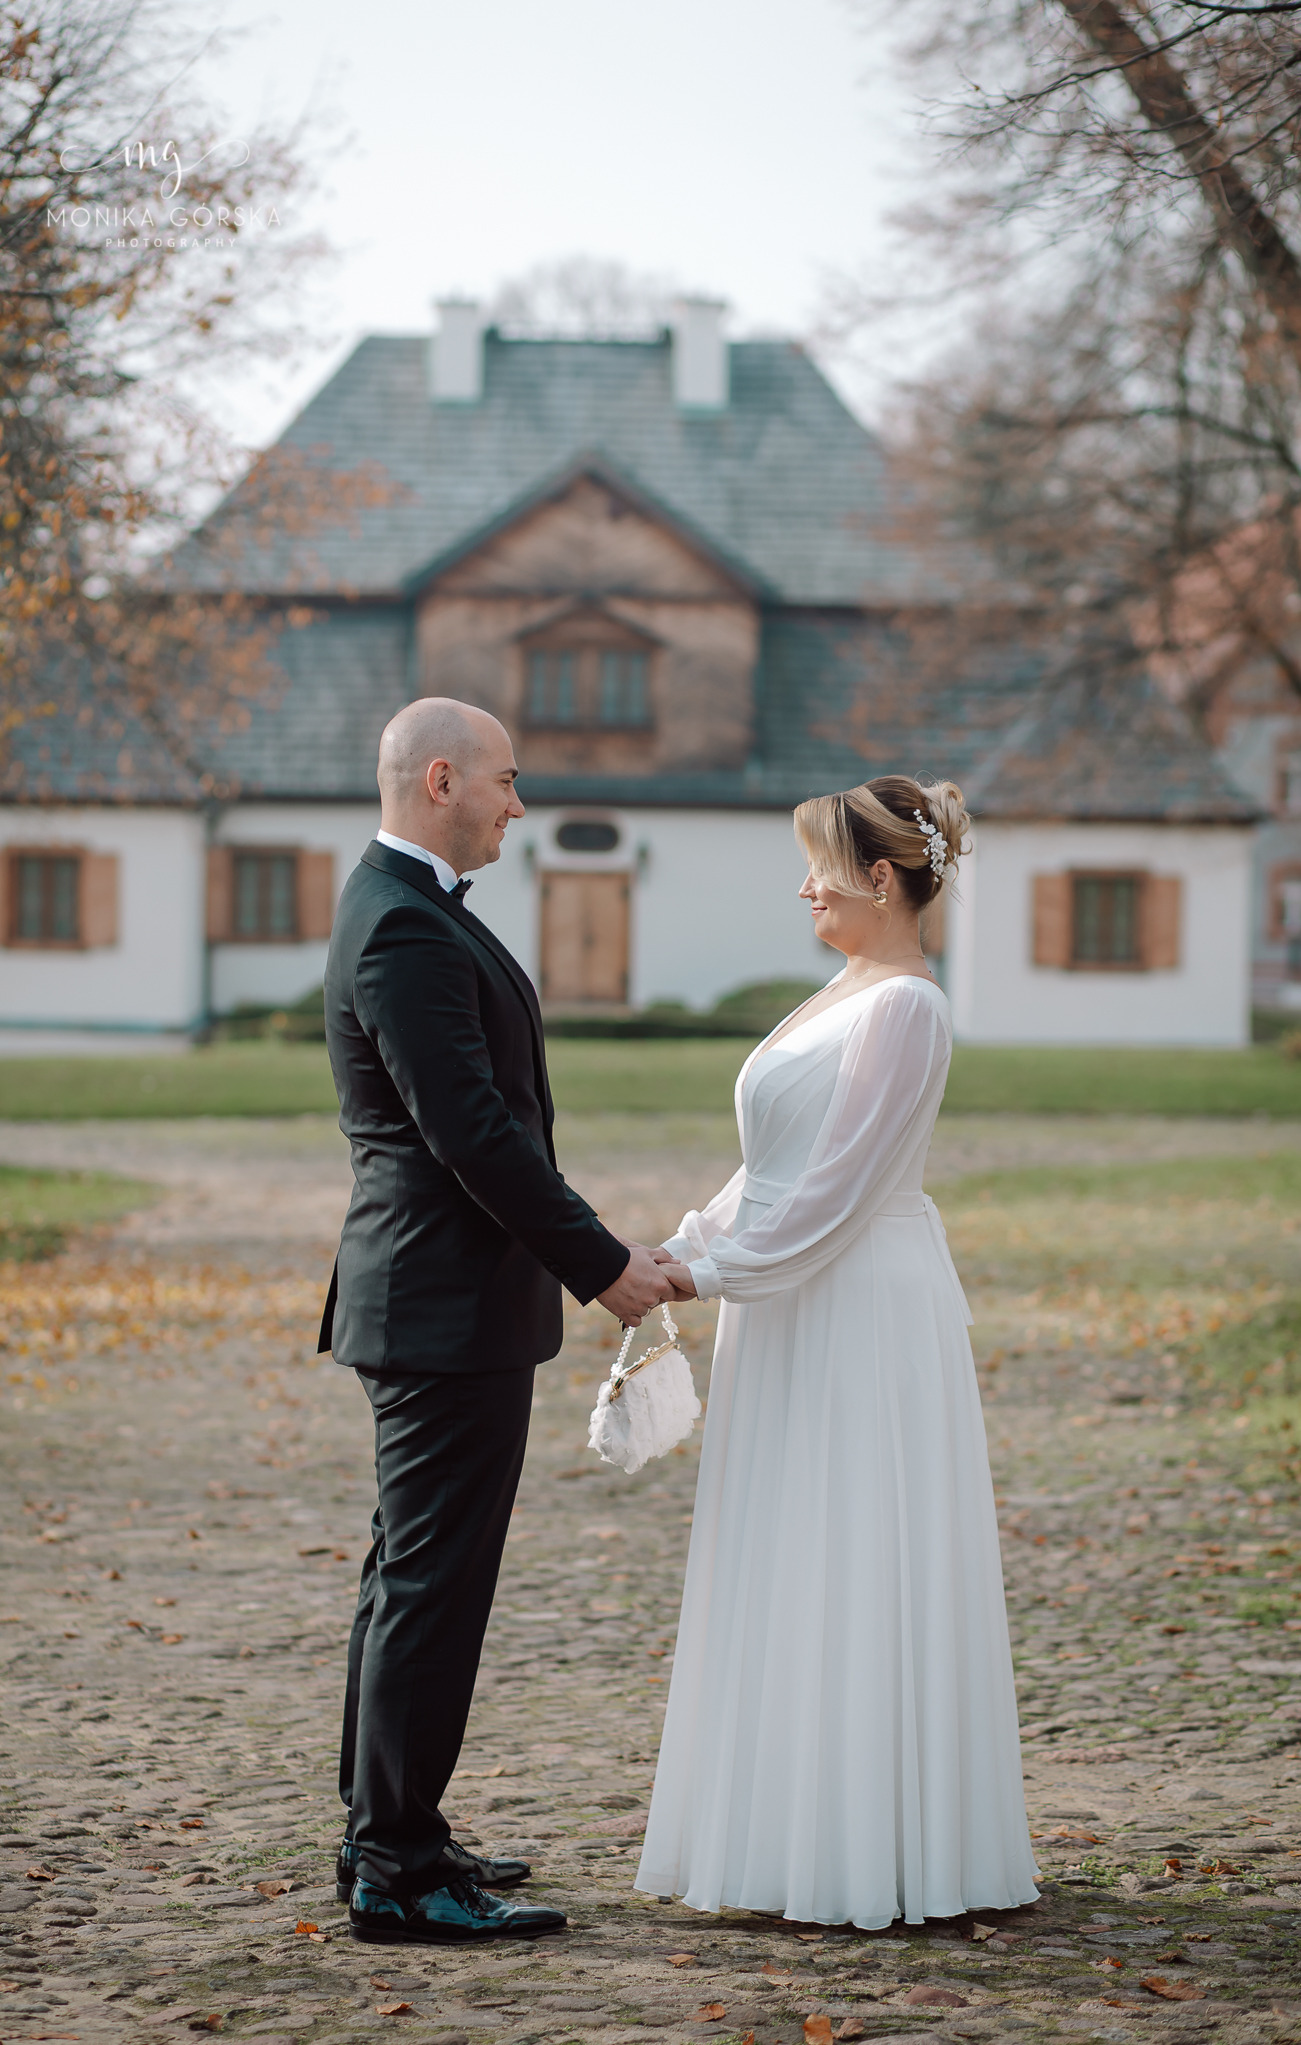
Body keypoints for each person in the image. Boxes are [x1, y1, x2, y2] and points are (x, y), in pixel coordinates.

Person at [638, 775, 1039, 1930]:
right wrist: (680, 1243)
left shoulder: (909, 1006)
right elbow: (775, 1164)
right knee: (790, 1543)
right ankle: (790, 1830)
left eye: (818, 862)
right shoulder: (845, 986)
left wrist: (707, 1274)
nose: (801, 883)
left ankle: (880, 1842)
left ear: (879, 877)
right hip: (791, 1294)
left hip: (860, 1303)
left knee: (856, 1542)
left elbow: (839, 1194)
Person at [320, 697, 675, 1946]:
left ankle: (390, 1826)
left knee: (405, 1578)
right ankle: (400, 1872)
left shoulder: (410, 908)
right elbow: (471, 1134)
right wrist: (602, 1264)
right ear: (440, 780)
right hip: (441, 1307)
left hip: (438, 1303)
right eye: (507, 783)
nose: (518, 805)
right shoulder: (404, 930)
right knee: (430, 1584)